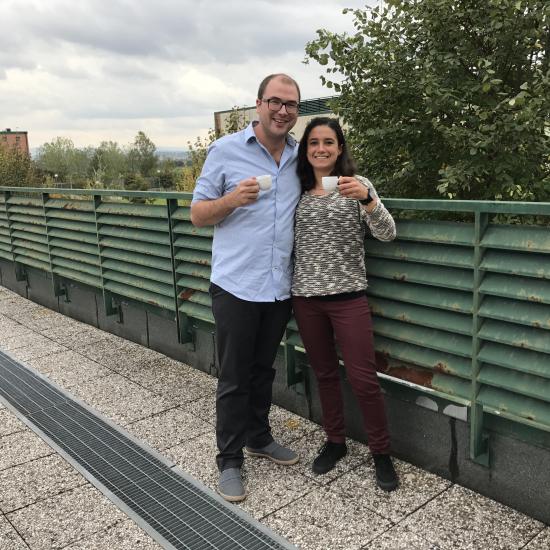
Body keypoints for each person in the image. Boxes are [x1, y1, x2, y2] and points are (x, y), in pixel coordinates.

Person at [190, 74, 302, 502]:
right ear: (259, 104)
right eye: (275, 101)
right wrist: (232, 200)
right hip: (236, 284)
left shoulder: (299, 156)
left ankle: (259, 437)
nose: (282, 111)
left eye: (291, 105)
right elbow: (198, 215)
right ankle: (230, 459)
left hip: (278, 286)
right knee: (235, 376)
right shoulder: (225, 150)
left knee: (263, 370)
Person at [291, 117, 399, 491]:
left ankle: (381, 452)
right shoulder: (295, 190)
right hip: (306, 298)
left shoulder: (357, 185)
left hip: (349, 298)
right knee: (324, 374)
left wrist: (368, 200)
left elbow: (388, 233)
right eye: (313, 142)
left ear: (339, 148)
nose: (321, 148)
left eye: (328, 142)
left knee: (364, 380)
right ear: (306, 150)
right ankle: (335, 441)